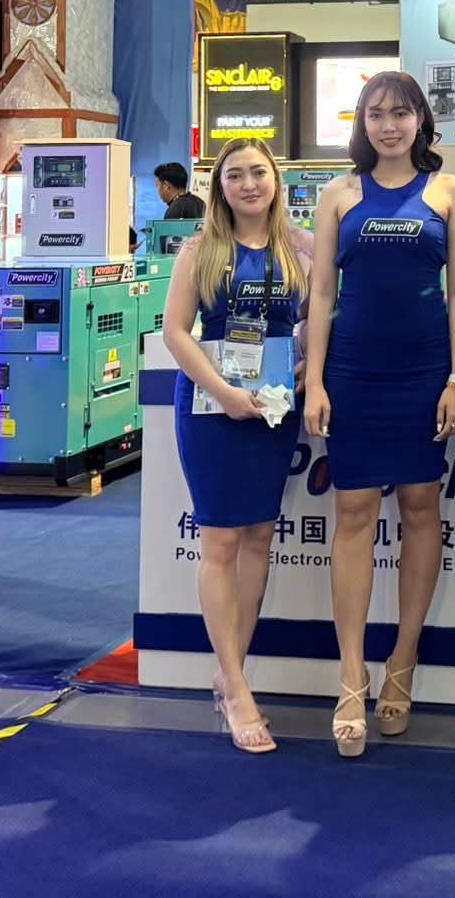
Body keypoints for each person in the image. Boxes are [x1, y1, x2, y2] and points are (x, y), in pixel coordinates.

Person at [302, 72, 455, 758]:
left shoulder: (448, 193)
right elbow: (321, 293)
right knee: (352, 511)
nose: (389, 125)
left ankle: (403, 660)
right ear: (362, 124)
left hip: (424, 371)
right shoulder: (339, 195)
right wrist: (316, 381)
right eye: (376, 114)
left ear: (420, 121)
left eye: (401, 114)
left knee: (421, 506)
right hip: (353, 371)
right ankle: (352, 676)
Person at [161, 138, 311, 755]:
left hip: (272, 410)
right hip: (211, 407)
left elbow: (320, 319)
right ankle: (239, 689)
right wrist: (223, 392)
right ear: (219, 187)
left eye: (259, 173)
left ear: (276, 180)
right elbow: (175, 332)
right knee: (221, 541)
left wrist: (303, 370)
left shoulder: (302, 247)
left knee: (259, 539)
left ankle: (231, 675)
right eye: (235, 175)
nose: (249, 184)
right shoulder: (200, 249)